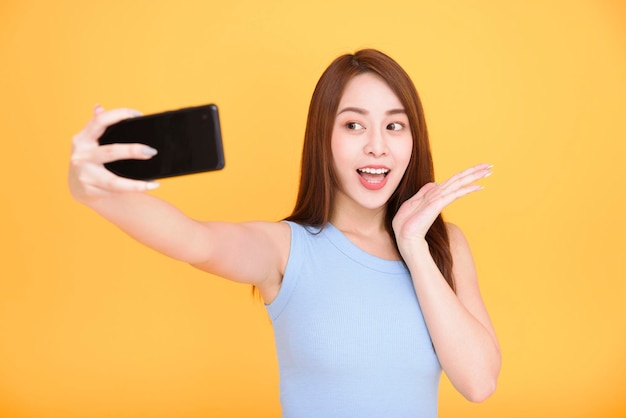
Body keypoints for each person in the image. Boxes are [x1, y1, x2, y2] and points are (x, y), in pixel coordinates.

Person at [69, 49, 501, 417]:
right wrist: (94, 192)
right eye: (353, 125)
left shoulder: (445, 245)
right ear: (323, 137)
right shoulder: (286, 249)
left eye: (394, 125)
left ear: (413, 138)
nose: (377, 146)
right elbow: (193, 239)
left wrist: (413, 245)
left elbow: (479, 383)